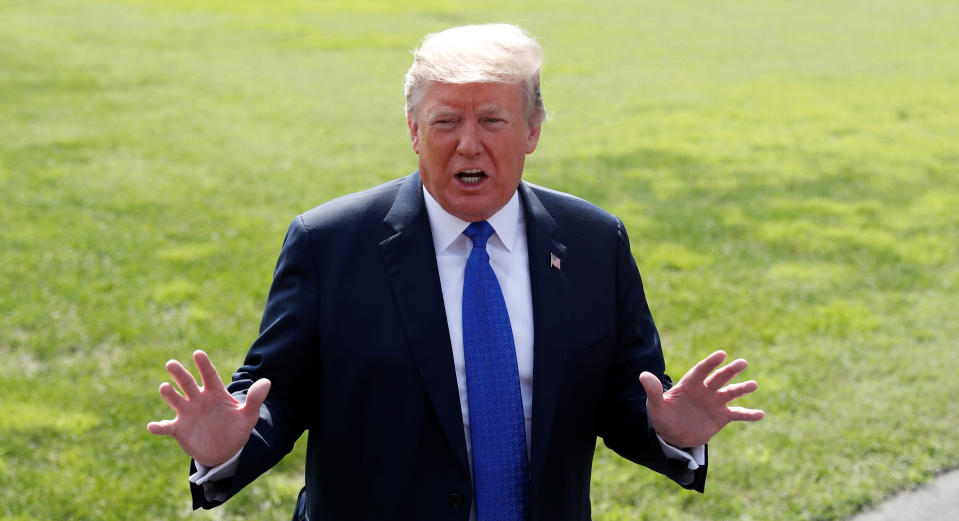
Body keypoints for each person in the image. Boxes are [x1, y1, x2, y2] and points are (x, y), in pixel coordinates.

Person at [147, 23, 764, 521]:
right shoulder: (329, 243)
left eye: (492, 120)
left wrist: (672, 432)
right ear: (415, 131)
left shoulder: (594, 241)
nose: (468, 144)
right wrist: (229, 448)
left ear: (532, 131)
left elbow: (629, 397)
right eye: (446, 122)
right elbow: (271, 396)